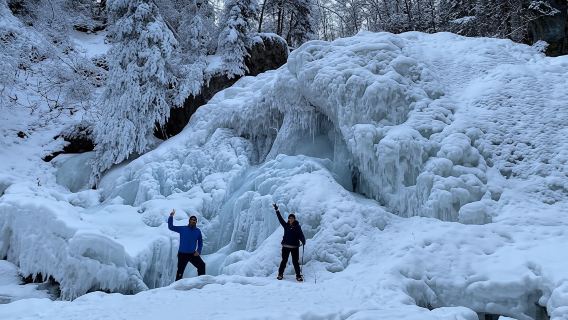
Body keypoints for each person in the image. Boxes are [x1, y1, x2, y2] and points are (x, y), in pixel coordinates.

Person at [168, 209, 205, 281]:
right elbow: (171, 227)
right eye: (192, 220)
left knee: (202, 265)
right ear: (189, 221)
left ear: (196, 222)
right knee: (180, 272)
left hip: (192, 254)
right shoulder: (183, 229)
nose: (193, 221)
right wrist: (171, 216)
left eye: (194, 220)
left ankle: (201, 281)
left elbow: (200, 242)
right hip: (182, 254)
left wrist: (198, 251)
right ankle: (176, 288)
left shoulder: (197, 231)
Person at [272, 203, 306, 282]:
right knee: (284, 261)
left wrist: (303, 240)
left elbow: (301, 234)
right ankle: (280, 274)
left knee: (295, 262)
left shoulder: (297, 227)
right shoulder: (286, 225)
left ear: (294, 219)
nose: (290, 219)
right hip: (285, 246)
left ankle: (298, 276)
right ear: (288, 219)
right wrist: (277, 210)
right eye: (289, 218)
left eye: (292, 218)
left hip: (294, 247)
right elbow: (280, 218)